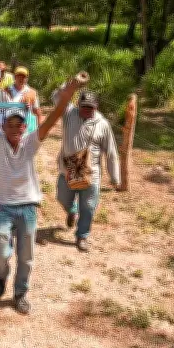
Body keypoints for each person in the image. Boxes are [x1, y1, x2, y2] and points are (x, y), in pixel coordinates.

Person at [0, 75, 84, 314]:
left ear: (25, 127)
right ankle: (2, 276)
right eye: (10, 125)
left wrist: (66, 98)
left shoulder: (30, 143)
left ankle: (21, 293)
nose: (15, 129)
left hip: (27, 207)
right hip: (3, 206)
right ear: (3, 127)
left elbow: (53, 120)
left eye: (19, 125)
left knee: (26, 256)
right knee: (0, 252)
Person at [54, 88, 120, 252]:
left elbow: (111, 152)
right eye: (84, 106)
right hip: (67, 169)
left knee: (89, 206)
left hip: (91, 173)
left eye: (90, 107)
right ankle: (71, 210)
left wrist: (115, 177)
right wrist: (72, 84)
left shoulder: (103, 124)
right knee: (62, 197)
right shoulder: (68, 113)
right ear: (78, 104)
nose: (86, 110)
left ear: (96, 107)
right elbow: (55, 96)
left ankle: (82, 236)